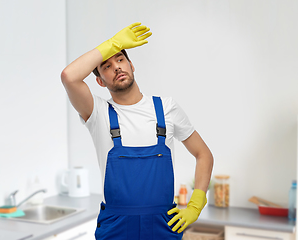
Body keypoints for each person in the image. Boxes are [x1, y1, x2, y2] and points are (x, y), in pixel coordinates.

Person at [61, 22, 213, 240]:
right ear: (99, 81)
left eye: (120, 59)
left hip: (164, 224)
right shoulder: (97, 113)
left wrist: (196, 204)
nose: (116, 67)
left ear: (132, 65)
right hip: (116, 227)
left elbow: (203, 154)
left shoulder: (166, 108)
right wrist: (113, 43)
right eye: (106, 66)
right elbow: (69, 76)